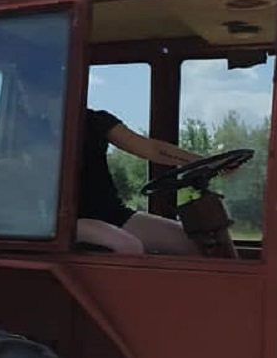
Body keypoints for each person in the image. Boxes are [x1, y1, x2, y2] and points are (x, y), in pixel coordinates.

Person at [78, 109, 203, 255]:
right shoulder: (53, 127)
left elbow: (152, 149)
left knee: (195, 243)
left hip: (114, 214)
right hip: (65, 222)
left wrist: (200, 162)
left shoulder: (94, 120)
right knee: (128, 246)